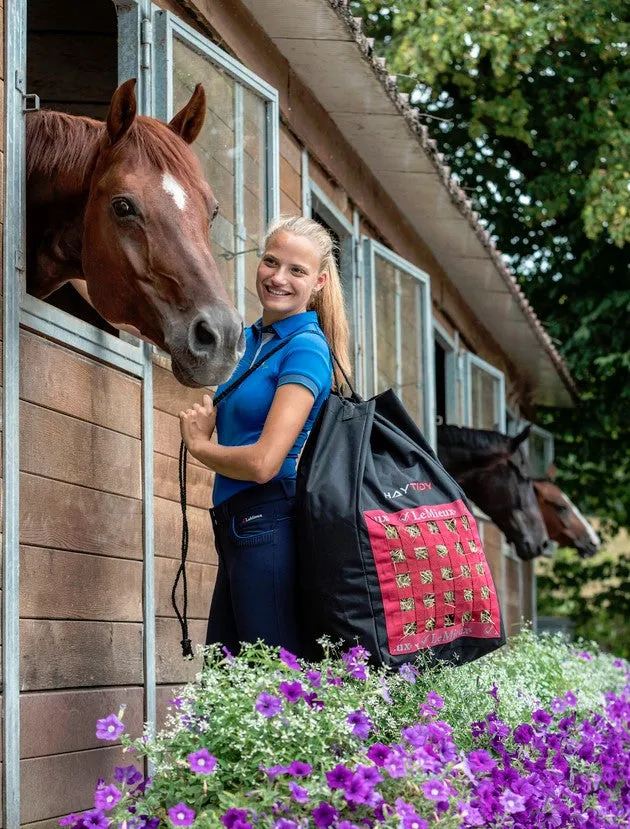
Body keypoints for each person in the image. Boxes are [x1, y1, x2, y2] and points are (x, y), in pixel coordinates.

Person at [178, 215, 351, 655]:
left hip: (268, 522)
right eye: (271, 262)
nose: (278, 278)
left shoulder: (306, 348)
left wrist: (201, 445)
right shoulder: (252, 340)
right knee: (229, 682)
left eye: (296, 270)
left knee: (271, 683)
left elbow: (263, 462)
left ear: (319, 282)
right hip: (236, 526)